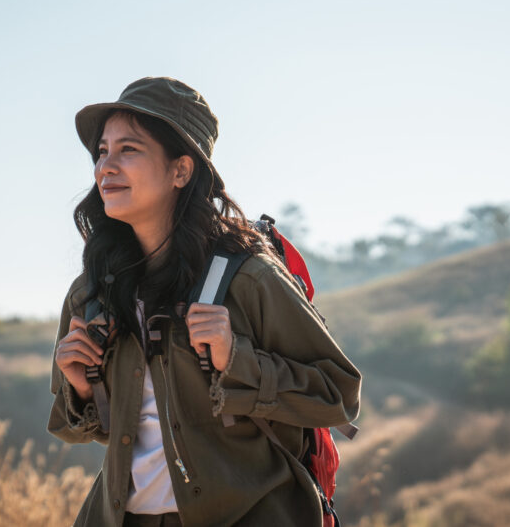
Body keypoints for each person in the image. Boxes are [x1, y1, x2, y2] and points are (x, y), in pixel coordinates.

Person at [48, 77, 361, 527]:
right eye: (102, 151)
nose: (106, 167)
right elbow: (80, 428)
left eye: (128, 150)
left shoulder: (249, 277)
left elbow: (339, 395)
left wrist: (239, 361)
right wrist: (80, 386)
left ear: (181, 170)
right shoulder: (91, 293)